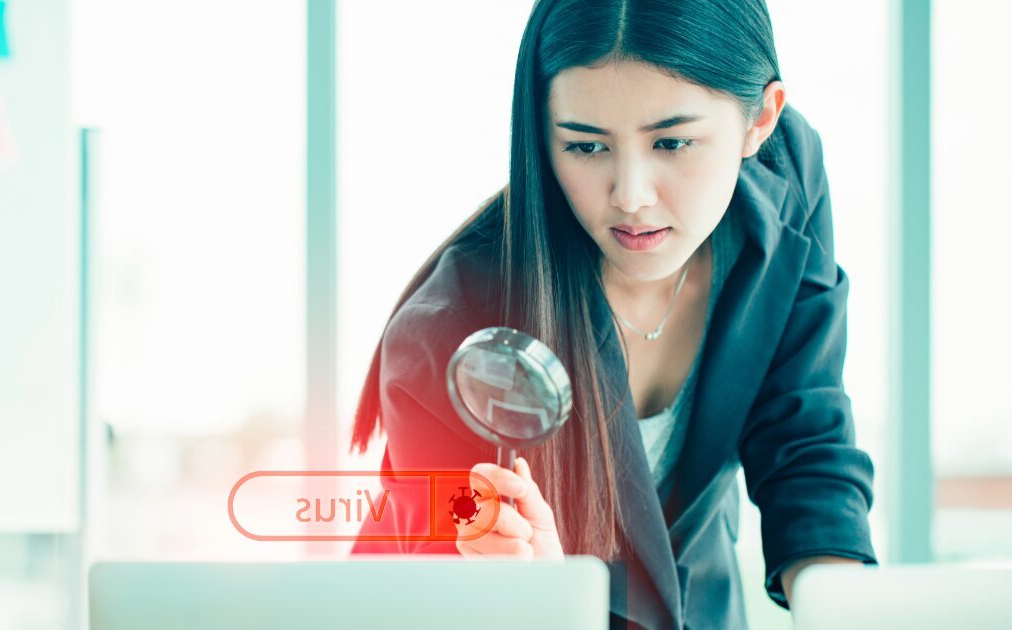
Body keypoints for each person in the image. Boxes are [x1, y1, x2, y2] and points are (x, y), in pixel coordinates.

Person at [347, 0, 876, 627]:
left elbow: (803, 433)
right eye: (587, 146)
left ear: (760, 119)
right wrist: (531, 598)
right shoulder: (451, 335)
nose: (630, 195)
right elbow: (457, 583)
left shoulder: (787, 175)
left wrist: (841, 608)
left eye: (673, 141)